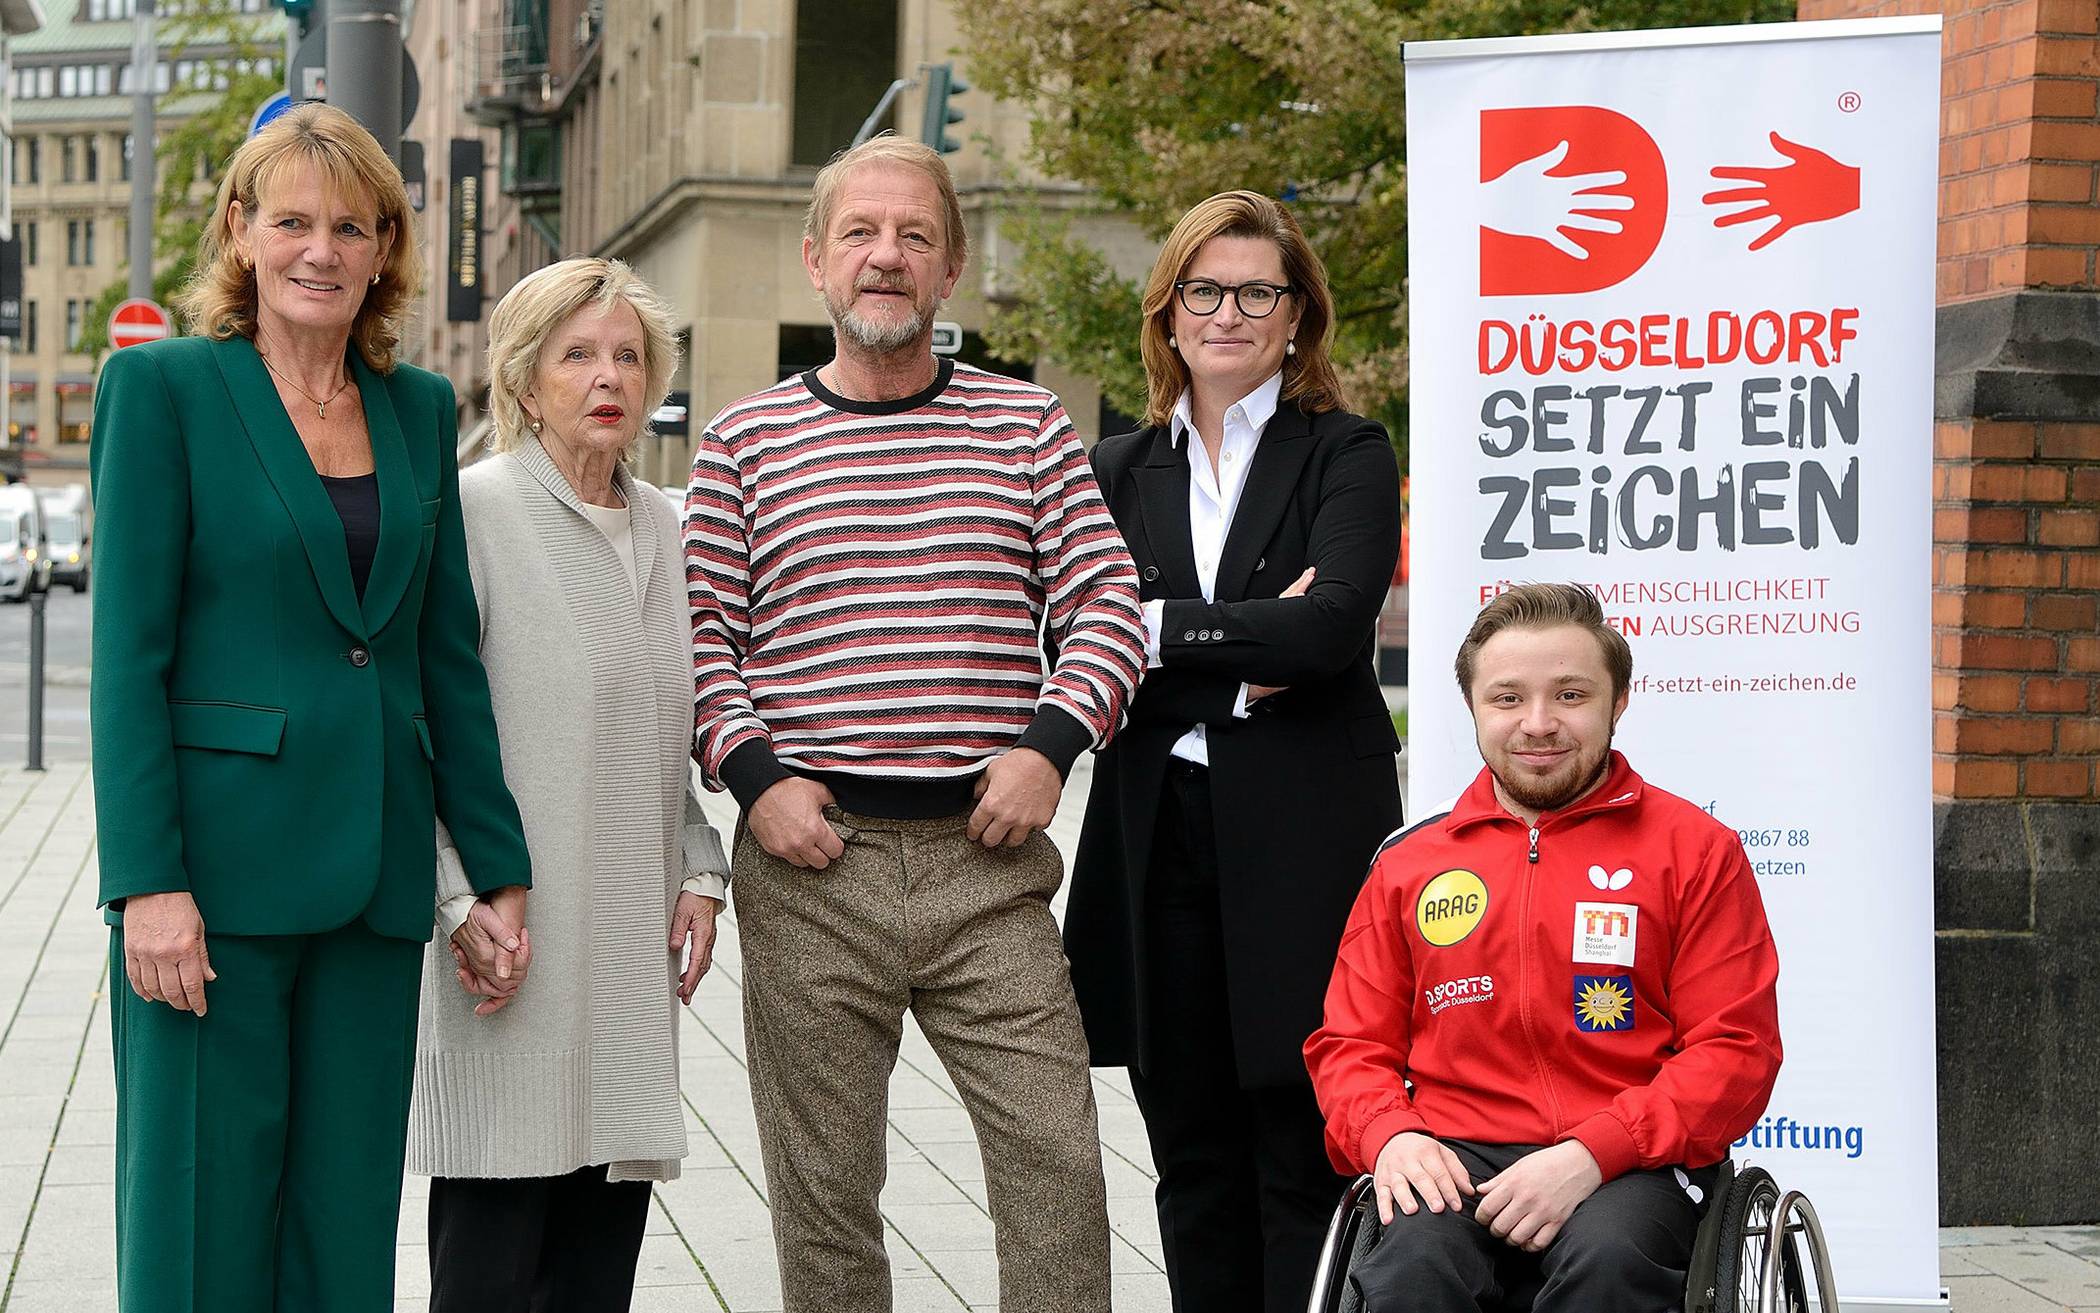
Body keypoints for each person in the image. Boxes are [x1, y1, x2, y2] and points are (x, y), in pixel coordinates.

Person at [683, 135, 1146, 1313]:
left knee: (1057, 1169)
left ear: (951, 270)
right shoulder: (742, 443)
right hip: (808, 865)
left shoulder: (1030, 426)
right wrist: (753, 775)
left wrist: (1051, 747)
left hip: (986, 867)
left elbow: (1106, 604)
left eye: (914, 237)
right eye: (861, 234)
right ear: (816, 260)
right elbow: (699, 643)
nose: (885, 257)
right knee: (824, 1195)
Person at [88, 104, 531, 1312]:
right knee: (200, 1221)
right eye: (290, 221)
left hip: (374, 880)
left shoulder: (420, 407)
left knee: (345, 1232)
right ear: (240, 231)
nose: (319, 250)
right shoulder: (162, 389)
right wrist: (147, 882)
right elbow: (127, 660)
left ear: (385, 247)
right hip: (210, 888)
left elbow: (445, 654)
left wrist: (494, 864)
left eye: (350, 225)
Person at [1065, 189, 1404, 1312]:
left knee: (1300, 1133)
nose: (1229, 312)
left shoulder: (1345, 451)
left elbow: (1332, 626)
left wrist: (1160, 623)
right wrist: (1244, 643)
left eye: (1258, 290)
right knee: (1190, 1146)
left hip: (1303, 832)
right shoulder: (1114, 468)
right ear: (1168, 313)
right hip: (1158, 831)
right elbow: (1080, 638)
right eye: (1204, 290)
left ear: (1296, 315)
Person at [1304, 582, 1783, 1313]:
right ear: (1471, 706)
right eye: (1507, 698)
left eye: (1569, 694)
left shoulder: (1695, 851)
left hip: (1632, 1163)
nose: (1538, 723)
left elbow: (1736, 1048)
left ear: (1617, 702)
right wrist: (1390, 1134)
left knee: (1609, 1265)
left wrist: (1597, 1150)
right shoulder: (1410, 864)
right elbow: (1349, 1045)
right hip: (1450, 1154)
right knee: (1407, 1276)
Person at [405, 258, 732, 1313]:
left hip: (629, 958)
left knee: (598, 1271)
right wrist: (454, 898)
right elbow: (424, 731)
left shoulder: (673, 528)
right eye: (578, 353)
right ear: (524, 375)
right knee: (491, 1270)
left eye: (629, 355)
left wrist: (699, 863)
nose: (609, 376)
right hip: (510, 945)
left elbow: (657, 730)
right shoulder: (474, 511)